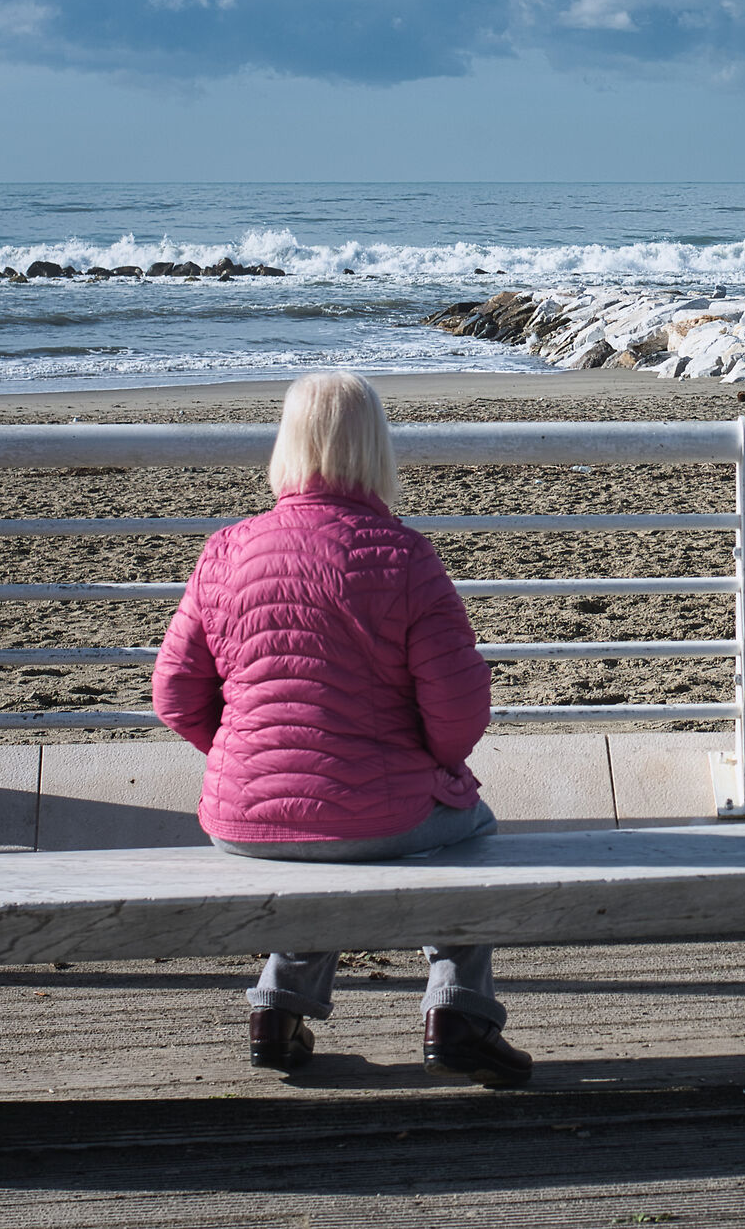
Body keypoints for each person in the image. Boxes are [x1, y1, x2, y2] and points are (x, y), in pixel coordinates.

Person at [152, 370, 529, 1086]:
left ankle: (278, 1009)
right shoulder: (403, 555)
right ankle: (459, 1009)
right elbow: (458, 705)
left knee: (316, 835)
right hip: (377, 808)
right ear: (375, 449)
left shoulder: (225, 550)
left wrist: (250, 758)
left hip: (243, 814)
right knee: (470, 829)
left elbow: (174, 692)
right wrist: (440, 768)